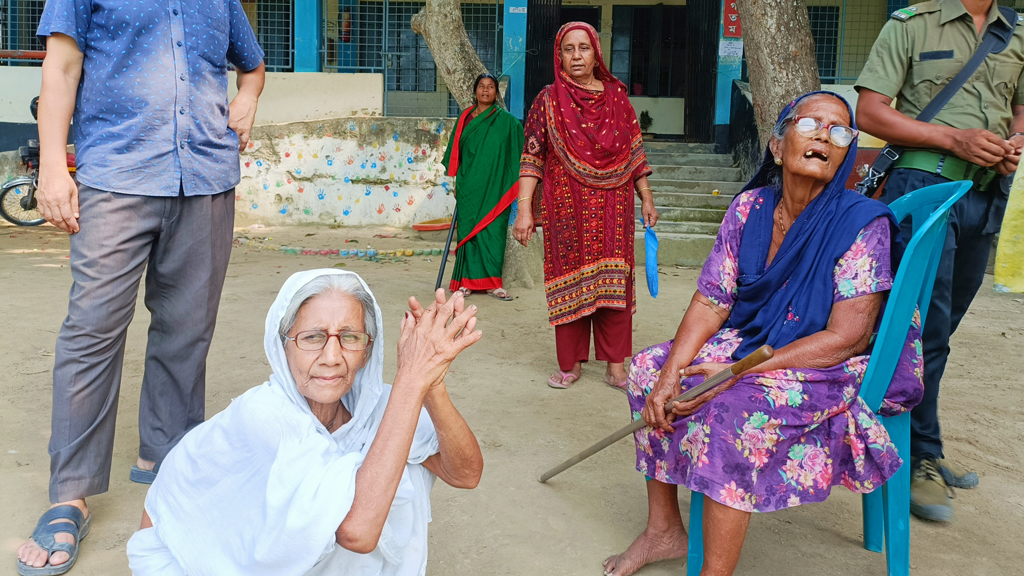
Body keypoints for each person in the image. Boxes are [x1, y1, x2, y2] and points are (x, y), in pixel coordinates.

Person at [604, 92, 925, 576]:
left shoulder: (862, 224)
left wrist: (739, 372)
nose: (823, 135)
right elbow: (713, 300)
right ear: (777, 145)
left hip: (828, 361)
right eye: (811, 123)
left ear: (846, 155)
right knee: (650, 368)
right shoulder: (749, 208)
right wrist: (672, 372)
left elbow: (848, 337)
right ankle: (663, 529)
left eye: (839, 131)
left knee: (734, 407)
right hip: (758, 338)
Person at [17, 1, 266, 574]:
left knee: (187, 330)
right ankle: (69, 493)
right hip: (117, 175)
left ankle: (170, 464)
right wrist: (53, 165)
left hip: (206, 176)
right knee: (93, 331)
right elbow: (61, 66)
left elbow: (251, 65)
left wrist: (247, 98)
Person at [126, 270, 485, 575]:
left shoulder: (379, 405)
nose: (331, 357)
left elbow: (464, 474)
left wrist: (431, 383)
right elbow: (357, 532)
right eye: (312, 338)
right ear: (282, 346)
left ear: (368, 351)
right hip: (198, 563)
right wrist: (412, 378)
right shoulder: (265, 415)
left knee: (392, 455)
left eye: (350, 337)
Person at [855, 0, 1024, 523]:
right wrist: (955, 137)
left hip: (986, 194)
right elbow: (871, 112)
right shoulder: (911, 23)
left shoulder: (1016, 31)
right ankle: (914, 459)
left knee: (941, 328)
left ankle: (924, 443)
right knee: (918, 329)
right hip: (925, 184)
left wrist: (1015, 139)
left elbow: (1018, 105)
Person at [513, 21, 659, 391]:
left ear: (597, 54)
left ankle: (615, 366)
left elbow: (635, 154)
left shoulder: (618, 100)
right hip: (566, 207)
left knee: (613, 288)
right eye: (568, 49)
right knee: (569, 283)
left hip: (615, 206)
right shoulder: (546, 101)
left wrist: (646, 197)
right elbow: (532, 158)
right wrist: (525, 208)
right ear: (559, 56)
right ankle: (571, 364)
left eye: (584, 48)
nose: (576, 55)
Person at [442, 73, 525, 301]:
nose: (486, 91)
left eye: (490, 87)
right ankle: (466, 283)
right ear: (475, 91)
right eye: (481, 86)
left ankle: (493, 284)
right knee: (468, 235)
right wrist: (455, 181)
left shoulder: (507, 121)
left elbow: (521, 149)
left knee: (493, 233)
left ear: (496, 93)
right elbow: (456, 153)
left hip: (497, 188)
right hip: (469, 187)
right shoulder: (465, 118)